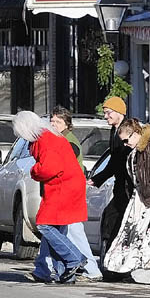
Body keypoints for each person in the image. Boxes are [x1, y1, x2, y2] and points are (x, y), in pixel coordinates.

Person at [103, 118, 150, 283]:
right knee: (149, 236)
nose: (125, 143)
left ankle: (123, 268)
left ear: (136, 133)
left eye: (126, 140)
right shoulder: (137, 149)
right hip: (140, 197)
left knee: (138, 233)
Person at [13, 111, 87, 284]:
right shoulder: (48, 136)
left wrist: (34, 171)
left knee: (45, 225)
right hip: (67, 184)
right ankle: (66, 274)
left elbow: (49, 168)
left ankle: (75, 258)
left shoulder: (45, 139)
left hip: (62, 186)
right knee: (57, 228)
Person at [49, 106, 102, 281]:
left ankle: (91, 269)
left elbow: (61, 166)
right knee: (54, 230)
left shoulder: (69, 142)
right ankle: (45, 267)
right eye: (52, 121)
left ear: (67, 124)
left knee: (73, 231)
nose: (53, 124)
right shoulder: (58, 139)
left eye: (58, 121)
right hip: (62, 191)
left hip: (70, 192)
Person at [87, 97, 133, 279]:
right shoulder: (114, 131)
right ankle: (111, 267)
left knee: (115, 223)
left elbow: (123, 161)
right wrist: (97, 179)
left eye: (109, 112)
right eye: (105, 113)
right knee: (111, 223)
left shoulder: (128, 130)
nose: (106, 116)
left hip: (128, 189)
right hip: (120, 187)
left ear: (119, 112)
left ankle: (117, 269)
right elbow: (114, 162)